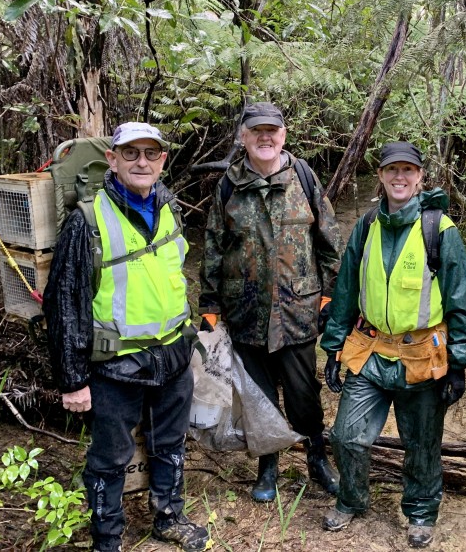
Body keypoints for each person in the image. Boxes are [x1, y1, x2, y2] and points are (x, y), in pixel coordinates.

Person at [43, 122, 208, 552]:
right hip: (114, 367)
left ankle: (168, 517)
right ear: (112, 161)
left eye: (151, 154)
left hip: (172, 358)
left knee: (170, 444)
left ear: (162, 161)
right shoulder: (88, 220)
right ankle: (108, 540)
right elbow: (64, 302)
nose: (141, 162)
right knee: (110, 460)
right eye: (130, 153)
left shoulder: (172, 208)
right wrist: (72, 379)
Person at [319, 141, 466, 549]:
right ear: (382, 176)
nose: (400, 177)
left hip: (422, 355)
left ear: (420, 177)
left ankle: (421, 511)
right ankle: (352, 499)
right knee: (346, 436)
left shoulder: (440, 230)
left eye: (408, 170)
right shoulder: (367, 225)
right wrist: (334, 345)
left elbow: (462, 300)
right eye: (393, 170)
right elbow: (346, 289)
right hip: (370, 350)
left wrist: (459, 362)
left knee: (421, 443)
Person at [199, 101, 343, 502]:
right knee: (259, 395)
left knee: (303, 393)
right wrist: (208, 305)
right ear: (243, 138)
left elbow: (329, 240)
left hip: (297, 310)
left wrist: (331, 294)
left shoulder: (304, 177)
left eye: (272, 131)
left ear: (283, 135)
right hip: (245, 310)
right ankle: (268, 466)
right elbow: (213, 246)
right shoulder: (228, 184)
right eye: (256, 131)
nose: (265, 137)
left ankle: (317, 457)